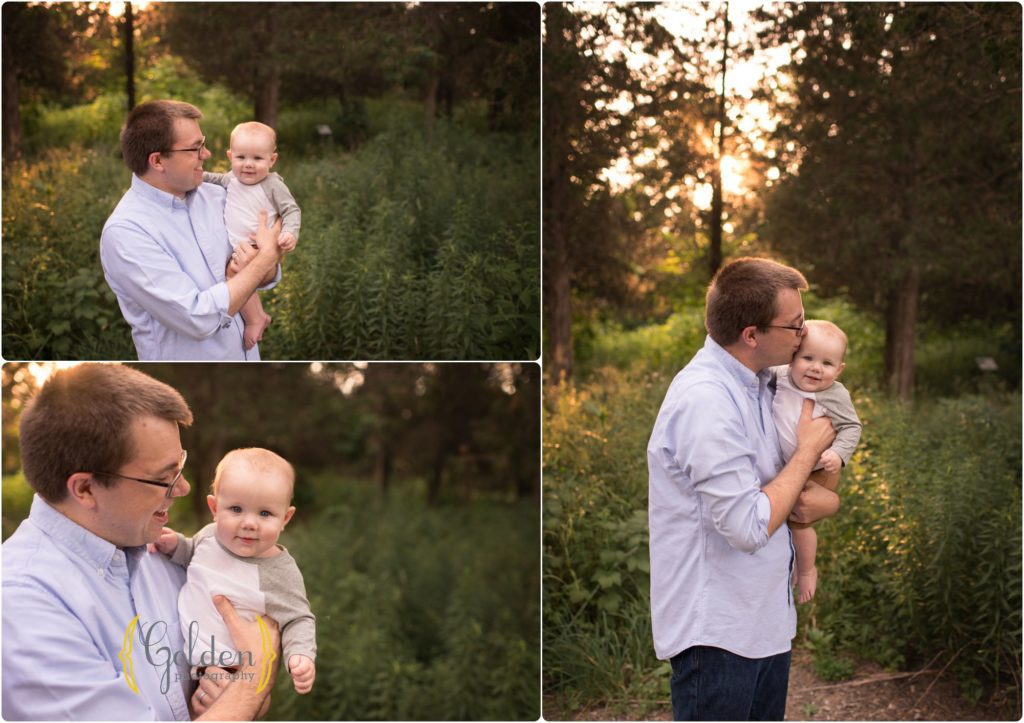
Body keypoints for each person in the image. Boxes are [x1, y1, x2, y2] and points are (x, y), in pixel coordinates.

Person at [1, 363, 280, 720]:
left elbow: (244, 680)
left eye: (180, 466)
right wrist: (251, 682)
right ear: (85, 489)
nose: (183, 488)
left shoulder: (168, 554)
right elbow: (254, 676)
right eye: (164, 478)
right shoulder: (20, 605)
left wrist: (226, 685)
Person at [647, 257, 840, 721]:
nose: (803, 334)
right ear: (752, 335)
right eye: (795, 326)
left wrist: (824, 496)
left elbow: (802, 496)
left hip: (763, 620)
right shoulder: (706, 401)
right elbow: (748, 527)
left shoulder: (763, 383)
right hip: (719, 634)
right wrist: (806, 453)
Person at [101, 100, 285, 361]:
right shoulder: (127, 232)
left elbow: (267, 272)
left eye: (203, 143)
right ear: (157, 161)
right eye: (195, 148)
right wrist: (264, 258)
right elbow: (198, 318)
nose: (207, 154)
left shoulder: (220, 195)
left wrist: (265, 262)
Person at [152, 448, 317, 695]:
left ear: (285, 518)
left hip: (231, 671)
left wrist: (301, 654)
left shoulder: (279, 571)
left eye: (265, 513)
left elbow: (297, 618)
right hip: (188, 663)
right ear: (215, 508)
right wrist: (176, 545)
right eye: (236, 509)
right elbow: (193, 556)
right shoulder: (209, 536)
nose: (249, 523)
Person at [771, 319, 862, 604]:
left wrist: (838, 454)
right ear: (793, 356)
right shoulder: (780, 375)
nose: (815, 368)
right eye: (807, 358)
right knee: (781, 515)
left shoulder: (834, 393)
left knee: (800, 522)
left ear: (839, 369)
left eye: (826, 363)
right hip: (785, 464)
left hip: (817, 470)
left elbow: (851, 427)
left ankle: (807, 569)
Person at [203, 122, 301, 351]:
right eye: (241, 157)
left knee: (234, 276)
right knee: (235, 279)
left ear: (272, 160)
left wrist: (288, 232)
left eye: (257, 158)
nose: (248, 164)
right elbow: (214, 179)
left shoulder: (272, 184)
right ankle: (258, 317)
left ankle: (255, 319)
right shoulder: (231, 179)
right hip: (238, 246)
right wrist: (197, 175)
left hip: (257, 244)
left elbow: (291, 210)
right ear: (230, 156)